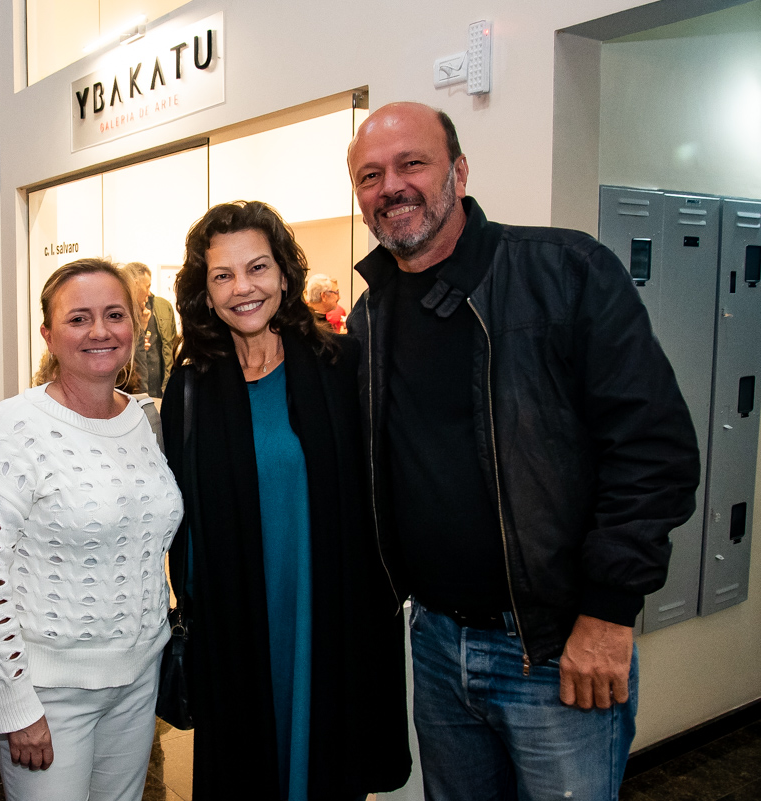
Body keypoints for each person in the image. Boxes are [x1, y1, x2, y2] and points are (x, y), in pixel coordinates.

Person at [345, 102, 700, 800]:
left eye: (412, 163)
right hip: (437, 642)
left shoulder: (565, 272)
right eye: (370, 175)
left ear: (459, 172)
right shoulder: (371, 317)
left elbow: (653, 451)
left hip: (555, 645)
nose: (391, 187)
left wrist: (608, 612)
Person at [161, 200, 411, 800]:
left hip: (329, 612)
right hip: (233, 620)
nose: (243, 288)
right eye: (223, 276)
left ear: (283, 274)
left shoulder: (341, 365)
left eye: (258, 268)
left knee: (324, 758)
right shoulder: (190, 387)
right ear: (204, 292)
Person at [0, 258, 183, 800]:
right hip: (49, 693)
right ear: (48, 335)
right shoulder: (12, 428)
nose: (100, 331)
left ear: (136, 325)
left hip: (138, 677)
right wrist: (13, 704)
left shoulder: (144, 420)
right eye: (79, 318)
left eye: (114, 315)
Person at [121, 261, 176, 397]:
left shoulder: (163, 307)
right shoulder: (120, 314)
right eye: (147, 286)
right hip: (134, 392)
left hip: (161, 390)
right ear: (135, 284)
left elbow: (171, 347)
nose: (149, 292)